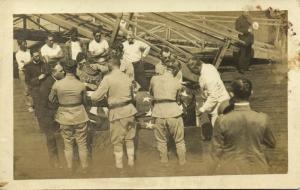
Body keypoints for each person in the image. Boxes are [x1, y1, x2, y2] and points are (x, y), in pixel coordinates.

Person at [211, 78, 276, 174]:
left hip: (231, 170)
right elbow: (272, 143)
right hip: (258, 169)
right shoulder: (262, 118)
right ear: (252, 92)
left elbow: (216, 151)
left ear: (231, 94)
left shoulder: (222, 120)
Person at [89, 54, 137, 169]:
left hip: (117, 112)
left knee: (117, 141)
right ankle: (131, 163)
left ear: (110, 65)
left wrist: (91, 93)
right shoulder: (127, 77)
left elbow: (96, 97)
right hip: (130, 111)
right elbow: (132, 95)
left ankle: (119, 167)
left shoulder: (108, 78)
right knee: (129, 138)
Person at [49, 60, 89, 173]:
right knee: (82, 143)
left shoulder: (57, 84)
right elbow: (85, 102)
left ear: (65, 70)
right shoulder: (81, 85)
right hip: (80, 115)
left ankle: (70, 168)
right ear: (75, 69)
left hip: (64, 116)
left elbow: (51, 99)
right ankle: (85, 168)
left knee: (68, 143)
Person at [149, 60, 186, 165]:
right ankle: (182, 162)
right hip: (173, 111)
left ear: (165, 68)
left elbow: (151, 92)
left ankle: (164, 162)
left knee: (161, 140)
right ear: (174, 70)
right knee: (179, 140)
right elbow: (178, 99)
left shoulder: (153, 79)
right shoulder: (177, 82)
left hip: (158, 112)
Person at [187, 56, 230, 127]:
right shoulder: (209, 66)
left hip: (219, 105)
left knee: (217, 129)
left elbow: (213, 96)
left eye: (192, 71)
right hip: (220, 101)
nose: (193, 73)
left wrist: (202, 109)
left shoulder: (208, 77)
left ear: (196, 68)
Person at [37, 63, 65, 168]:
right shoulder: (46, 84)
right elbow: (42, 104)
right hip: (48, 115)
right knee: (51, 138)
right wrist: (54, 114)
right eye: (61, 71)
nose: (63, 72)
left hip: (57, 113)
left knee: (61, 137)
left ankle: (62, 160)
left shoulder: (59, 81)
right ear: (54, 72)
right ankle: (54, 161)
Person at [24, 50, 47, 117]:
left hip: (44, 87)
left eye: (38, 56)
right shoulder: (28, 66)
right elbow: (27, 81)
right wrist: (38, 78)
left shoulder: (42, 63)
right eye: (36, 56)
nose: (38, 57)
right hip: (35, 88)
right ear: (32, 57)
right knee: (39, 107)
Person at [15, 40, 33, 112]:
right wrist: (30, 61)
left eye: (26, 44)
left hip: (31, 72)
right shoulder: (18, 54)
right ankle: (30, 106)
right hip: (23, 72)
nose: (26, 45)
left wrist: (27, 62)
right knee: (26, 89)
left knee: (33, 87)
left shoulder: (28, 51)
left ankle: (35, 103)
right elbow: (23, 65)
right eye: (24, 44)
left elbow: (27, 63)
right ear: (19, 45)